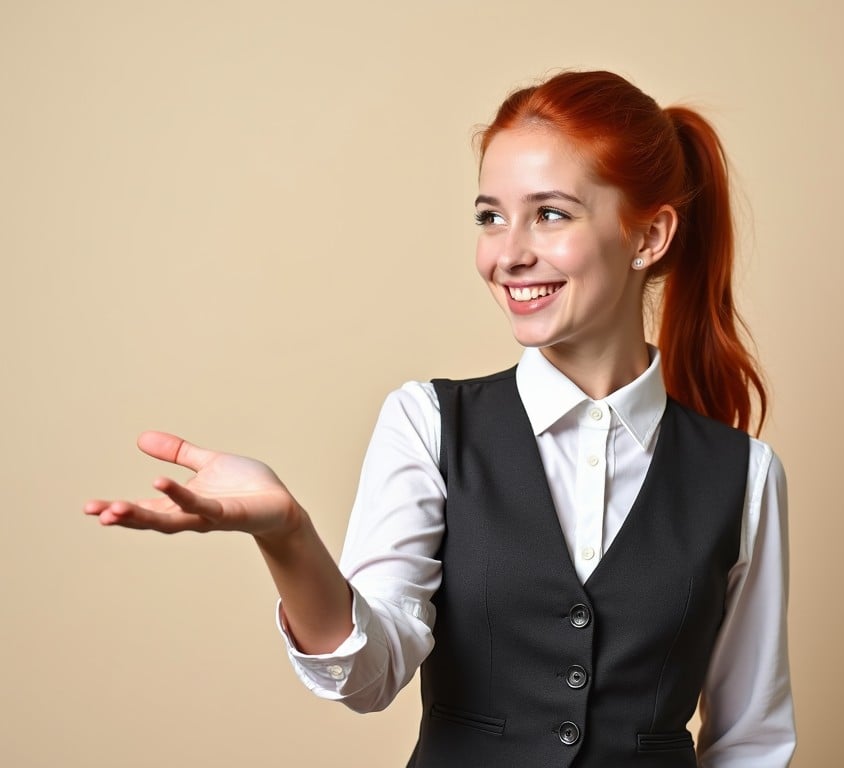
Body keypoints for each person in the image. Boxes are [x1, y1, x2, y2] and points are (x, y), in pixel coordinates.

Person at [85, 70, 795, 766]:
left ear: (649, 236)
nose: (508, 254)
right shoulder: (428, 423)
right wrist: (289, 536)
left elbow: (750, 742)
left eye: (550, 213)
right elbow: (368, 677)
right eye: (491, 216)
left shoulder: (745, 475)